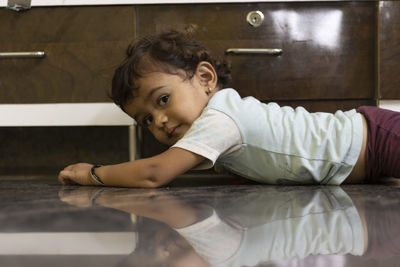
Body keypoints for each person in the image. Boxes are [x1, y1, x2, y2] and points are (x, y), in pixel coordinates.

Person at [58, 30, 400, 188]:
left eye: (162, 100)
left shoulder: (220, 118)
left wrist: (93, 173)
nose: (159, 121)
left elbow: (154, 174)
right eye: (145, 120)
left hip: (374, 139)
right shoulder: (218, 121)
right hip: (367, 156)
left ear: (205, 78)